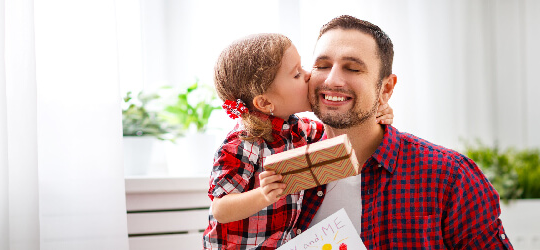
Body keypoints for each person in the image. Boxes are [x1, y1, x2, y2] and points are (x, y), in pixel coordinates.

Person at [295, 15, 514, 249]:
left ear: (386, 88)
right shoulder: (279, 164)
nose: (332, 79)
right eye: (322, 66)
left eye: (353, 68)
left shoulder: (451, 177)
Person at [203, 33, 394, 249]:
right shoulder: (241, 144)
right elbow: (220, 209)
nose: (308, 74)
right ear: (265, 102)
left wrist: (377, 112)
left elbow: (344, 130)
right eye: (296, 74)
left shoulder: (299, 129)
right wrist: (263, 195)